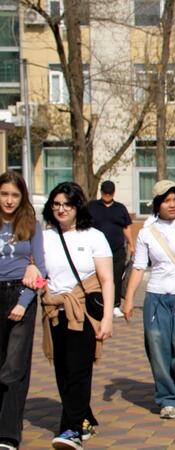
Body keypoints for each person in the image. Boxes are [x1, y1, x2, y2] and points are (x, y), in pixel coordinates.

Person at [121, 181, 175, 419]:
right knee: (158, 348)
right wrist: (128, 300)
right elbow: (139, 267)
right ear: (157, 204)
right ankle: (168, 398)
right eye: (167, 200)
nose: (172, 205)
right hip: (156, 296)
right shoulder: (147, 232)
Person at [40, 182, 114, 450]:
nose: (61, 209)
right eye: (56, 204)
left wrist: (107, 318)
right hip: (54, 311)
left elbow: (107, 280)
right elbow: (37, 271)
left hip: (83, 312)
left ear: (77, 207)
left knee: (78, 370)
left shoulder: (93, 236)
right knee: (62, 370)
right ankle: (83, 417)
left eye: (67, 205)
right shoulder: (44, 236)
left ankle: (71, 429)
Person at [0, 171, 46, 450]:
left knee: (13, 369)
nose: (9, 200)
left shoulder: (31, 225)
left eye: (15, 195)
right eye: (4, 194)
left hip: (20, 296)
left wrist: (23, 302)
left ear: (23, 197)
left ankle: (8, 433)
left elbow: (41, 270)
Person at [87, 181, 133, 318]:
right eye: (105, 193)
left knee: (117, 276)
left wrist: (131, 244)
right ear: (101, 192)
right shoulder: (92, 207)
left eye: (110, 193)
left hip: (117, 249)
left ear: (114, 193)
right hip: (96, 251)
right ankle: (98, 302)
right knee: (98, 276)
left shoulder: (120, 208)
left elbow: (126, 227)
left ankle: (115, 305)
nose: (107, 196)